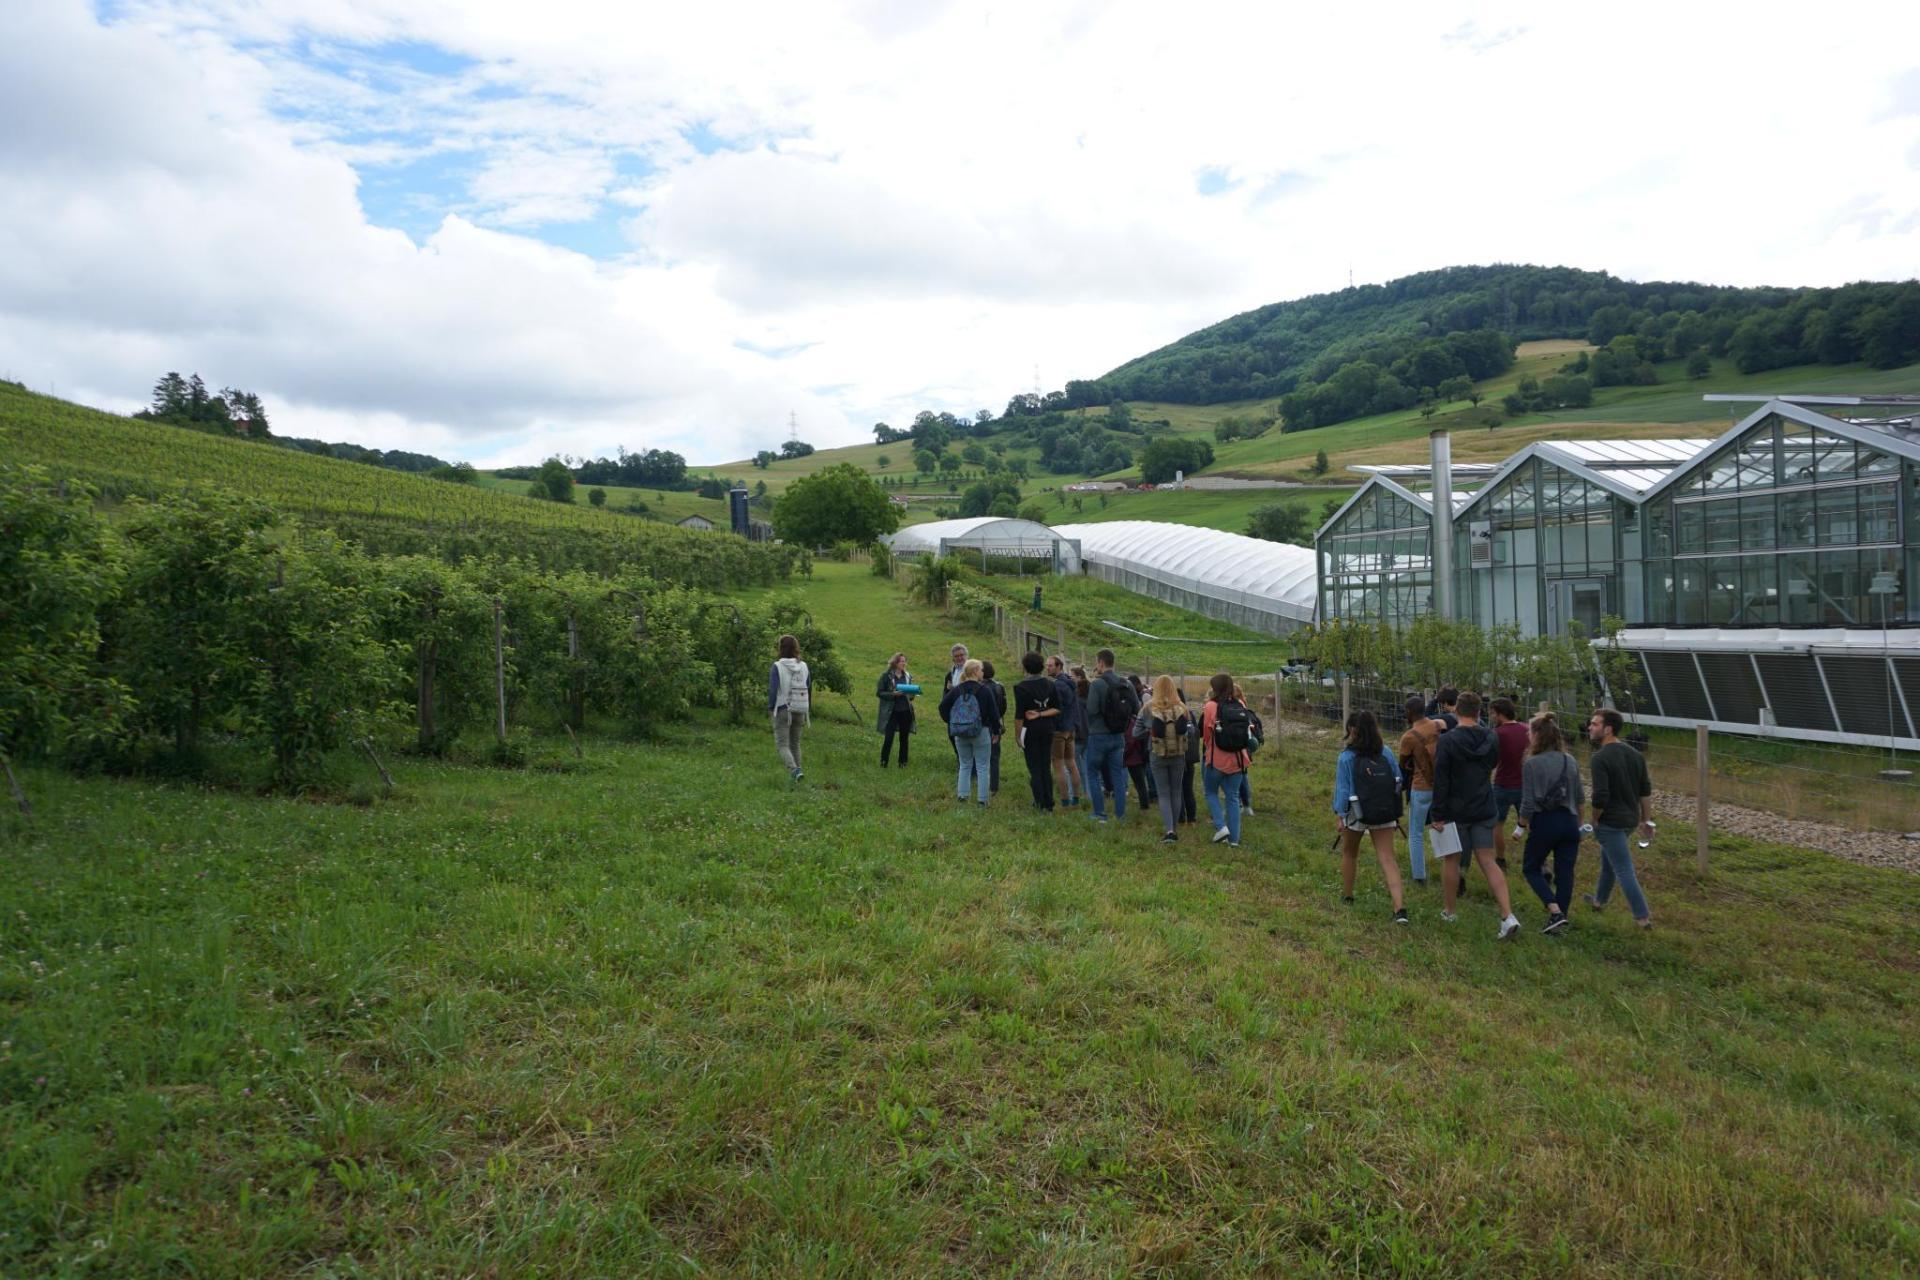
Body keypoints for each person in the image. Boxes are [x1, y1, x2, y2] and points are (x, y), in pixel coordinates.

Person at [1429, 691, 1522, 939]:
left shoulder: (1448, 741)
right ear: (1479, 712)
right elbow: (1491, 765)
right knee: (1488, 860)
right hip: (1483, 805)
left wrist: (1437, 813)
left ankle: (1449, 911)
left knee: (1452, 860)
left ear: (1456, 712)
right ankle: (1507, 914)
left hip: (1454, 809)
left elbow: (1441, 779)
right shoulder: (1491, 738)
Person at [1333, 710, 1409, 924]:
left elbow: (1343, 789)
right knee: (1387, 858)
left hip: (1356, 813)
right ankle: (1399, 908)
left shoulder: (1346, 757)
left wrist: (1340, 815)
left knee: (1349, 853)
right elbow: (1398, 780)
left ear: (1352, 730)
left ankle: (1347, 895)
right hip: (1384, 811)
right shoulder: (1385, 752)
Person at [1585, 708, 1656, 929]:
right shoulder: (1635, 755)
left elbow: (1600, 796)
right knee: (1609, 862)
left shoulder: (1600, 758)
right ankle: (1599, 901)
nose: (1590, 727)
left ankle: (1642, 918)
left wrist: (1594, 820)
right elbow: (1645, 790)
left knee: (1623, 869)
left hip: (1610, 822)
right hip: (1629, 820)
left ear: (1608, 729)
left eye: (1595, 724)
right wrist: (1646, 819)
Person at [1515, 713, 1584, 935]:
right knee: (1565, 873)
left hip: (1546, 821)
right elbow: (1580, 797)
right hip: (1570, 821)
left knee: (1531, 867)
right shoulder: (1570, 760)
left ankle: (1554, 912)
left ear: (1536, 736)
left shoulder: (1532, 764)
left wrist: (1520, 826)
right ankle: (1560, 919)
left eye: (1529, 732)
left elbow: (1527, 802)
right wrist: (1579, 824)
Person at [1082, 648, 1137, 824]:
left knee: (1092, 772)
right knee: (1118, 776)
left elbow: (1091, 710)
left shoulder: (1097, 684)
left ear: (1101, 663)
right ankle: (1120, 816)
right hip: (1118, 736)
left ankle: (1100, 813)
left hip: (1098, 734)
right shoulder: (1126, 683)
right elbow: (1136, 707)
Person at [939, 658, 1002, 807]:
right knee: (982, 766)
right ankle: (982, 800)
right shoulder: (984, 690)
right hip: (981, 731)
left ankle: (962, 796)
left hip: (960, 732)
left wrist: (952, 721)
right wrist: (996, 731)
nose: (982, 672)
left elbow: (942, 707)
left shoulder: (957, 689)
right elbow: (994, 713)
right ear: (975, 671)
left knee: (965, 764)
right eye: (980, 670)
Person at [1138, 675, 1192, 842]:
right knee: (1176, 791)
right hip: (1178, 755)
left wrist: (1149, 730)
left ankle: (1169, 831)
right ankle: (1174, 828)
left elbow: (1135, 732)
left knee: (1163, 793)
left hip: (1157, 754)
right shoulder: (1182, 707)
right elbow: (1188, 731)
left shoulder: (1148, 707)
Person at [1201, 673, 1252, 847]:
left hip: (1217, 758)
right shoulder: (1240, 704)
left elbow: (1207, 735)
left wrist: (1209, 748)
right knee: (1232, 796)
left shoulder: (1210, 706)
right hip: (1238, 758)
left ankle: (1221, 826)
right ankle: (1234, 840)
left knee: (1210, 792)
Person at [1397, 696, 1443, 886]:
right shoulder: (1439, 725)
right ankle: (1452, 869)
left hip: (1421, 787)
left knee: (1416, 833)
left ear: (1408, 713)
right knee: (1443, 826)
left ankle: (1419, 875)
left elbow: (1403, 763)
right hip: (1442, 786)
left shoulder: (1409, 737)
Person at [1014, 652, 1060, 811]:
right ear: (1041, 666)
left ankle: (1039, 801)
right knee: (1045, 765)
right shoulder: (1050, 684)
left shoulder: (1021, 687)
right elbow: (1056, 708)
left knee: (1034, 767)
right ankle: (1049, 801)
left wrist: (1018, 736)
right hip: (1047, 728)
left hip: (1030, 730)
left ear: (1025, 667)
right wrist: (1041, 713)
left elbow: (1019, 715)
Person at [1490, 697, 1527, 869]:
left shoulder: (1497, 734)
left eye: (1492, 713)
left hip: (1503, 784)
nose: (1491, 716)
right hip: (1524, 785)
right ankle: (1539, 861)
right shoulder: (1526, 730)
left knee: (1497, 824)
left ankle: (1500, 859)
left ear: (1500, 714)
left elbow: (1492, 761)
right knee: (1531, 822)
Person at [768, 633, 811, 782]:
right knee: (795, 743)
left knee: (782, 745)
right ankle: (798, 773)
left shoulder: (777, 666)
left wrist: (770, 708)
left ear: (780, 648)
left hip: (783, 709)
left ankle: (794, 770)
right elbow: (808, 686)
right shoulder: (803, 666)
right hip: (800, 708)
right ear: (796, 648)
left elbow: (773, 690)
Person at [1046, 655, 1082, 806]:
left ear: (1059, 666)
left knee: (1059, 765)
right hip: (1071, 728)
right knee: (1071, 763)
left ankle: (1065, 800)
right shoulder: (1071, 682)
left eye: (1051, 666)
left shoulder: (1058, 685)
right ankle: (1076, 799)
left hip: (1059, 729)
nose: (1047, 668)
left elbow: (1057, 708)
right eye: (1047, 665)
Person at [875, 651, 916, 768]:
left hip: (906, 712)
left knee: (904, 739)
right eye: (901, 661)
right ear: (895, 662)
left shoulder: (908, 676)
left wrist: (912, 693)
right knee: (888, 738)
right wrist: (893, 694)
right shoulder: (886, 676)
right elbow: (879, 693)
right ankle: (884, 763)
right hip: (891, 712)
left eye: (905, 661)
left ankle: (903, 764)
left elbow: (911, 697)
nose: (904, 663)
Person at [1231, 680, 1262, 817]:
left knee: (1238, 776)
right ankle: (1246, 804)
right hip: (1247, 746)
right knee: (1243, 775)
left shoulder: (1235, 707)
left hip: (1240, 747)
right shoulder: (1244, 706)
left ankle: (1239, 803)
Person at [980, 659, 1007, 795]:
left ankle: (983, 785)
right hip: (996, 723)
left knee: (982, 757)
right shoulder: (999, 686)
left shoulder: (980, 687)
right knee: (995, 756)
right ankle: (994, 786)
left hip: (983, 725)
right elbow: (1003, 707)